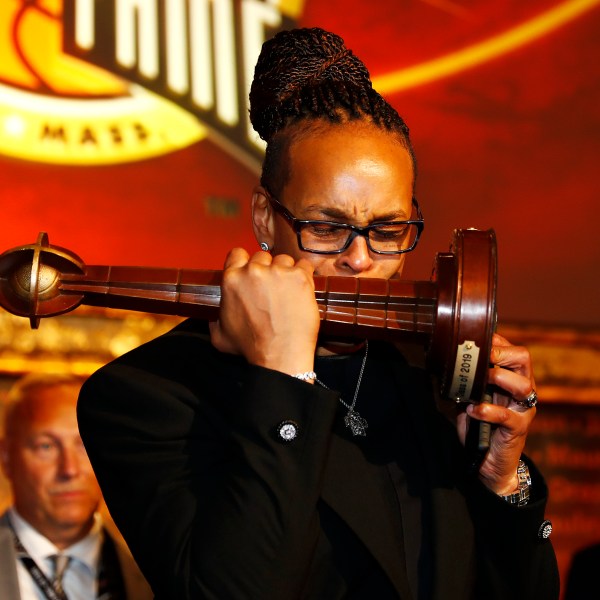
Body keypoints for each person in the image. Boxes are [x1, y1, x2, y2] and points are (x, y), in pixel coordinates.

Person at [77, 27, 559, 599]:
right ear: (264, 217)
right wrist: (282, 377)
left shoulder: (433, 375)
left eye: (388, 230)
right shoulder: (146, 395)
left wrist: (503, 481)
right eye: (327, 228)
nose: (361, 259)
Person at [0, 372, 152, 600]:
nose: (70, 469)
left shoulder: (157, 578)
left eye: (84, 445)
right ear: (6, 457)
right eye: (46, 446)